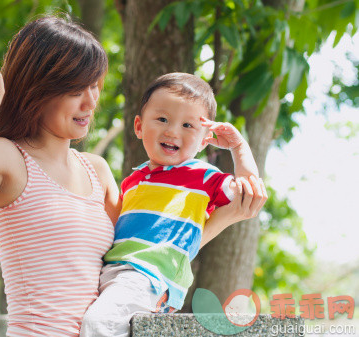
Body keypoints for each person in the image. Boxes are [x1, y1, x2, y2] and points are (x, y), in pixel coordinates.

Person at [0, 16, 266, 337]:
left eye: (95, 86)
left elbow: (154, 249)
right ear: (38, 86)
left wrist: (229, 216)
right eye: (75, 89)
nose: (90, 102)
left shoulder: (98, 170)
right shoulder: (5, 156)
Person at [80, 73, 268, 337]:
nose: (172, 131)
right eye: (162, 119)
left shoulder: (202, 176)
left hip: (150, 277)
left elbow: (248, 191)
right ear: (138, 126)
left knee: (99, 323)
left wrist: (238, 147)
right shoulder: (133, 180)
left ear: (205, 140)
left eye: (188, 126)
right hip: (113, 272)